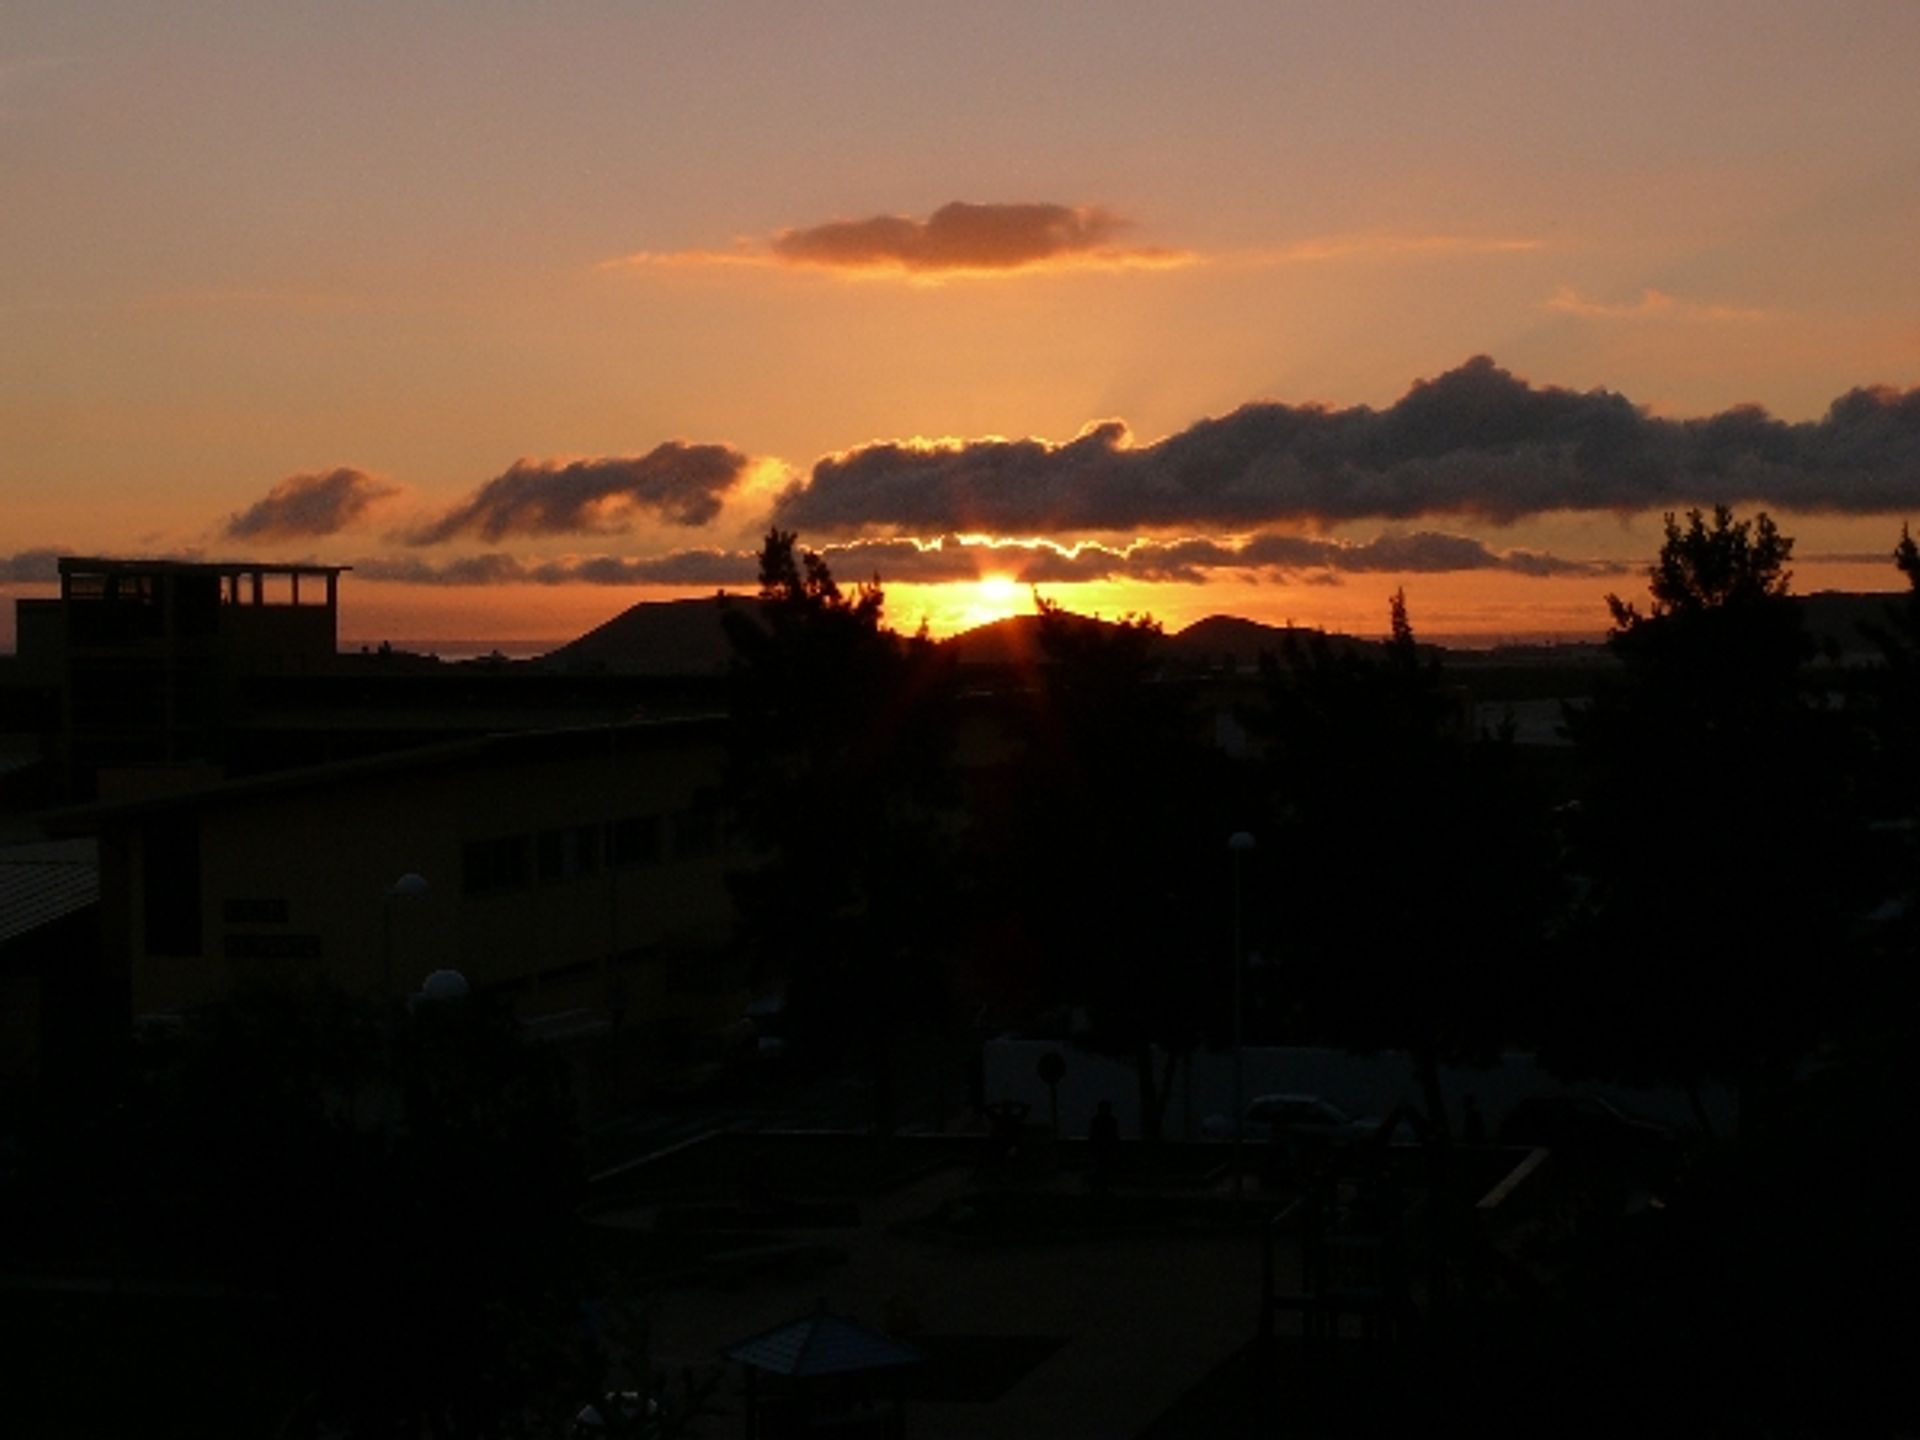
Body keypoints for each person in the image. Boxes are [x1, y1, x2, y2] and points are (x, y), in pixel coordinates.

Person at [1088, 1100, 1120, 1194]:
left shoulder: (1097, 1120)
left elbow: (1093, 1136)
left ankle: (1100, 1188)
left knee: (1102, 1169)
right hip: (1103, 1148)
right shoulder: (1111, 1121)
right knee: (1102, 1169)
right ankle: (1102, 1188)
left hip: (1103, 1149)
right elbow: (1114, 1136)